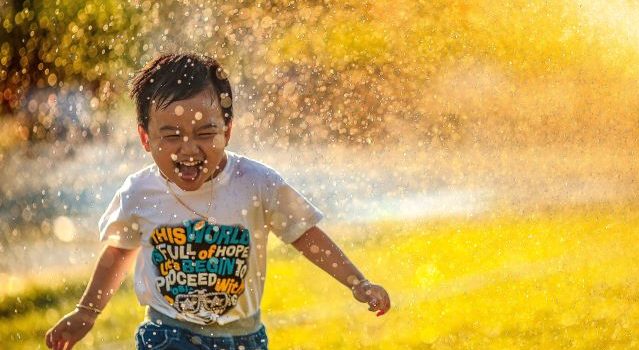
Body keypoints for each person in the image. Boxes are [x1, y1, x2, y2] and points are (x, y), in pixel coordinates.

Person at [45, 52, 391, 350]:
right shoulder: (140, 192)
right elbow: (119, 252)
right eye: (171, 136)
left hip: (243, 339)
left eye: (204, 133)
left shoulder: (256, 183)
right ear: (145, 138)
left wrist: (357, 281)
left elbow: (304, 233)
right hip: (168, 334)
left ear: (227, 130)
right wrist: (87, 311)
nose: (188, 149)